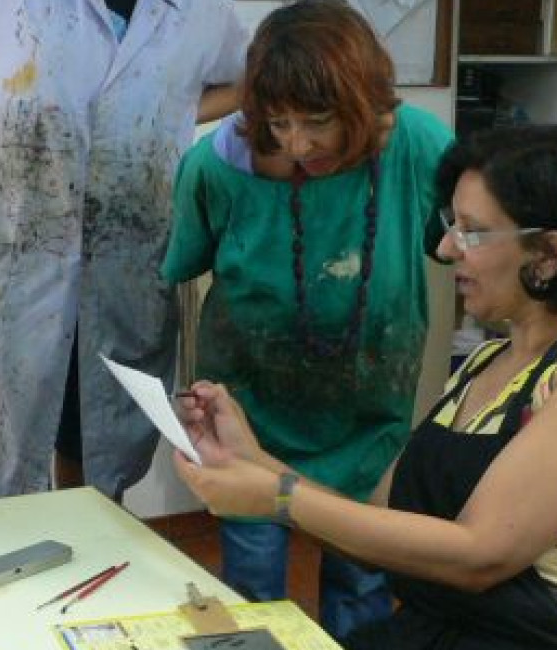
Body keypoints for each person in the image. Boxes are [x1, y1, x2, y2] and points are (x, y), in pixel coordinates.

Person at [173, 125, 557, 649]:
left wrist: (277, 499)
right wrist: (253, 460)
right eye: (450, 225)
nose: (445, 248)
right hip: (455, 629)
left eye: (472, 232)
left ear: (549, 253)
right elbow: (378, 525)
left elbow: (481, 554)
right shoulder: (487, 363)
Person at [161, 0, 452, 638]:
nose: (298, 144)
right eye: (279, 123)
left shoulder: (419, 147)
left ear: (368, 105)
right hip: (249, 411)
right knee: (253, 587)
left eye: (318, 122)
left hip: (367, 412)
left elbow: (456, 241)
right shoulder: (217, 165)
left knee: (363, 583)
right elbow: (182, 261)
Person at [0, 0, 248, 500]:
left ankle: (93, 544)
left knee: (99, 443)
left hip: (123, 262)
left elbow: (247, 78)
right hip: (18, 262)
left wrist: (175, 108)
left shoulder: (199, 13)